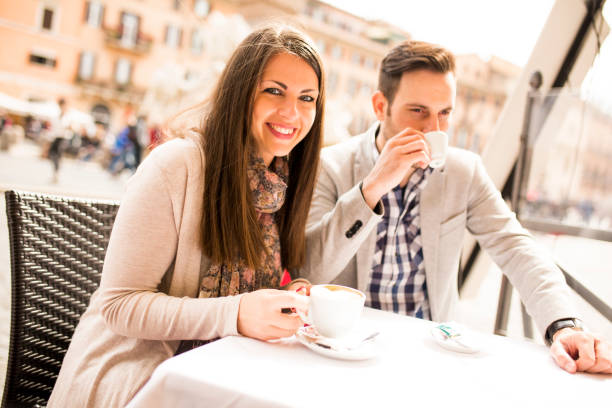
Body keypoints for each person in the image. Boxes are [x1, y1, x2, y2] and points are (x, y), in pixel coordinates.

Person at [48, 24, 325, 407]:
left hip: (224, 372)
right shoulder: (176, 165)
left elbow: (247, 292)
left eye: (307, 98)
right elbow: (119, 305)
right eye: (273, 91)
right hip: (143, 378)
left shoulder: (282, 181)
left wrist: (284, 298)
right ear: (240, 92)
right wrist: (238, 312)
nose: (291, 112)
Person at [301, 40, 612, 374]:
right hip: (348, 349)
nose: (433, 129)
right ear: (380, 106)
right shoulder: (330, 166)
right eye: (418, 111)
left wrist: (563, 324)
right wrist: (372, 188)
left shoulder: (464, 171)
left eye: (444, 113)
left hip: (429, 350)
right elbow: (312, 269)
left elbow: (516, 247)